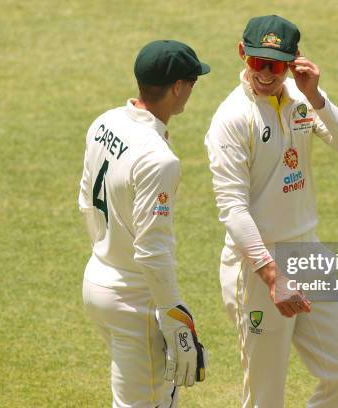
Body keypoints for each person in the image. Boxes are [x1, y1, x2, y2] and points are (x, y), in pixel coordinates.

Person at [204, 15, 338, 407]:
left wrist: (317, 98)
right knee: (266, 397)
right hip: (258, 268)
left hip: (307, 252)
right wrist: (271, 273)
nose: (265, 73)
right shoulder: (231, 119)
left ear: (293, 61)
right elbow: (231, 207)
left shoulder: (300, 99)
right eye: (257, 62)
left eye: (276, 64)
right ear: (242, 54)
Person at [79, 40, 210, 408]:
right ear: (177, 88)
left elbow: (84, 199)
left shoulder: (105, 122)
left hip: (97, 281)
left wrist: (107, 251)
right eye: (192, 82)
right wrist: (173, 315)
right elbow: (153, 251)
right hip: (133, 301)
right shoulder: (158, 159)